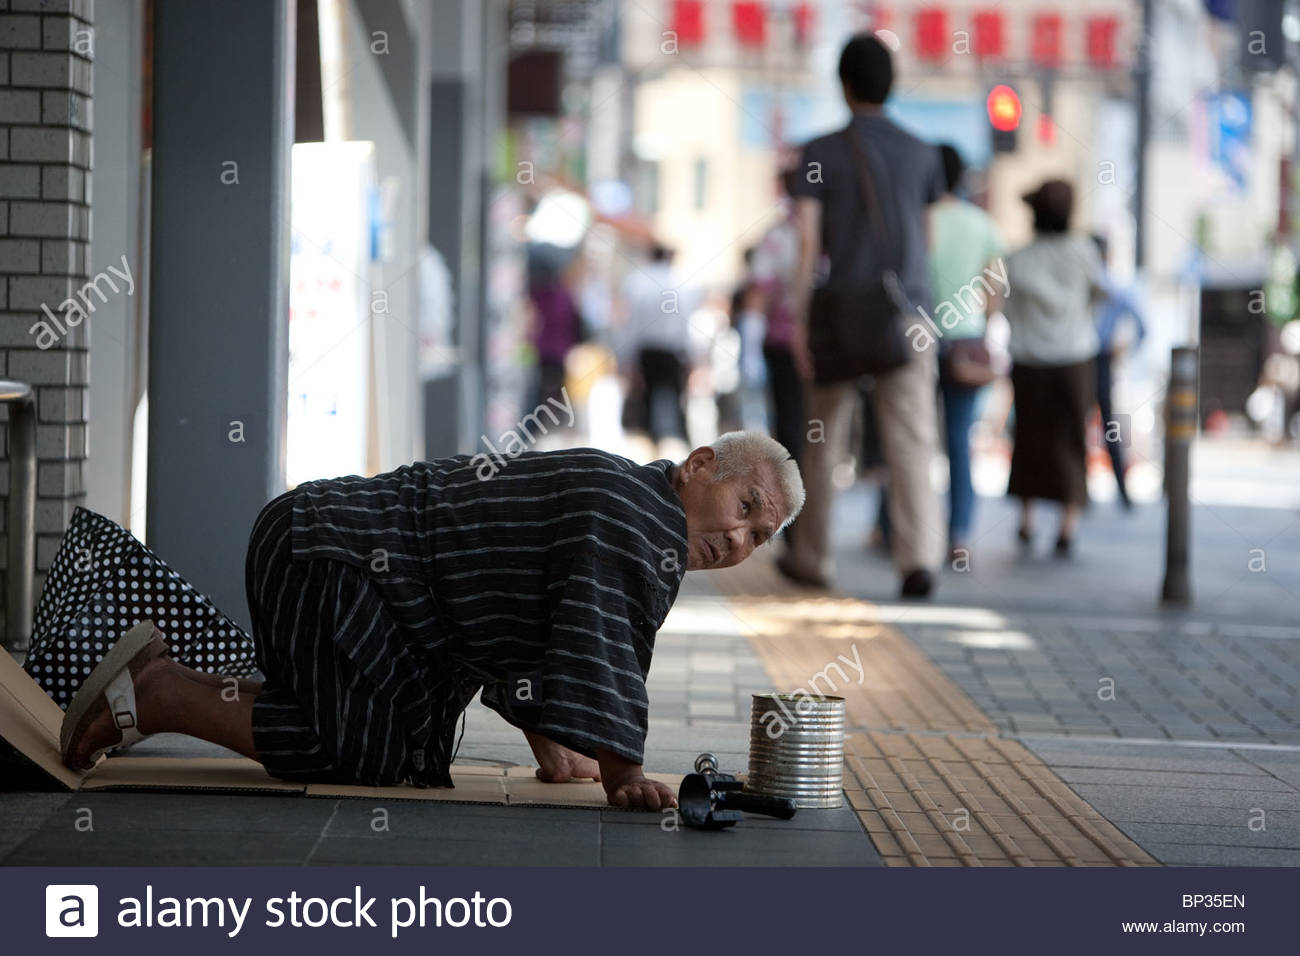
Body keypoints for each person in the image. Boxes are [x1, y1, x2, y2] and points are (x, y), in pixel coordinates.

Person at [59, 433, 805, 812]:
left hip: (331, 557)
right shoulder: (638, 515)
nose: (738, 541)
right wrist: (624, 772)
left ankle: (173, 687)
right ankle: (157, 691)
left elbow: (543, 628)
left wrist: (558, 751)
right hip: (333, 558)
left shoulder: (624, 499)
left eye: (758, 538)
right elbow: (599, 637)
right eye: (744, 508)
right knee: (357, 753)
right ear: (701, 464)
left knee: (411, 759)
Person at [779, 33, 946, 598]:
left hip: (843, 315)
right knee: (912, 442)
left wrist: (799, 321)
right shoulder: (923, 152)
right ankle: (917, 560)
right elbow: (929, 240)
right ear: (890, 84)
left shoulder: (819, 151)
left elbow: (808, 245)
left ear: (845, 85)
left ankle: (813, 558)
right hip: (908, 315)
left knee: (823, 440)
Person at [1003, 180, 1105, 555]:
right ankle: (1068, 524)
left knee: (1029, 438)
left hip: (1029, 360)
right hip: (1076, 357)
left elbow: (1007, 309)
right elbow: (1099, 293)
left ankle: (1026, 519)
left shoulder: (1019, 258)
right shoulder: (1084, 252)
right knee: (1072, 439)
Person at [928, 144, 1006, 560]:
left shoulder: (919, 221)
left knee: (910, 438)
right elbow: (994, 289)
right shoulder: (982, 225)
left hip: (919, 341)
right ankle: (958, 535)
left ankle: (894, 527)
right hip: (968, 340)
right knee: (959, 441)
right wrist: (986, 328)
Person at [622, 244, 696, 448]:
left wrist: (628, 357)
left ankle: (651, 442)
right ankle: (678, 440)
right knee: (678, 398)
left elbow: (632, 324)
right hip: (671, 350)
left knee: (648, 398)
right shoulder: (680, 284)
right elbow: (685, 324)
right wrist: (691, 356)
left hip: (647, 350)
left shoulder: (638, 282)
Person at [1091, 234, 1146, 509]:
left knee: (1076, 425)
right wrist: (1126, 350)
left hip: (1081, 359)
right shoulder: (1116, 286)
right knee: (1109, 426)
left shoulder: (1093, 285)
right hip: (1102, 360)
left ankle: (1078, 496)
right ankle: (1122, 491)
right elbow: (1143, 327)